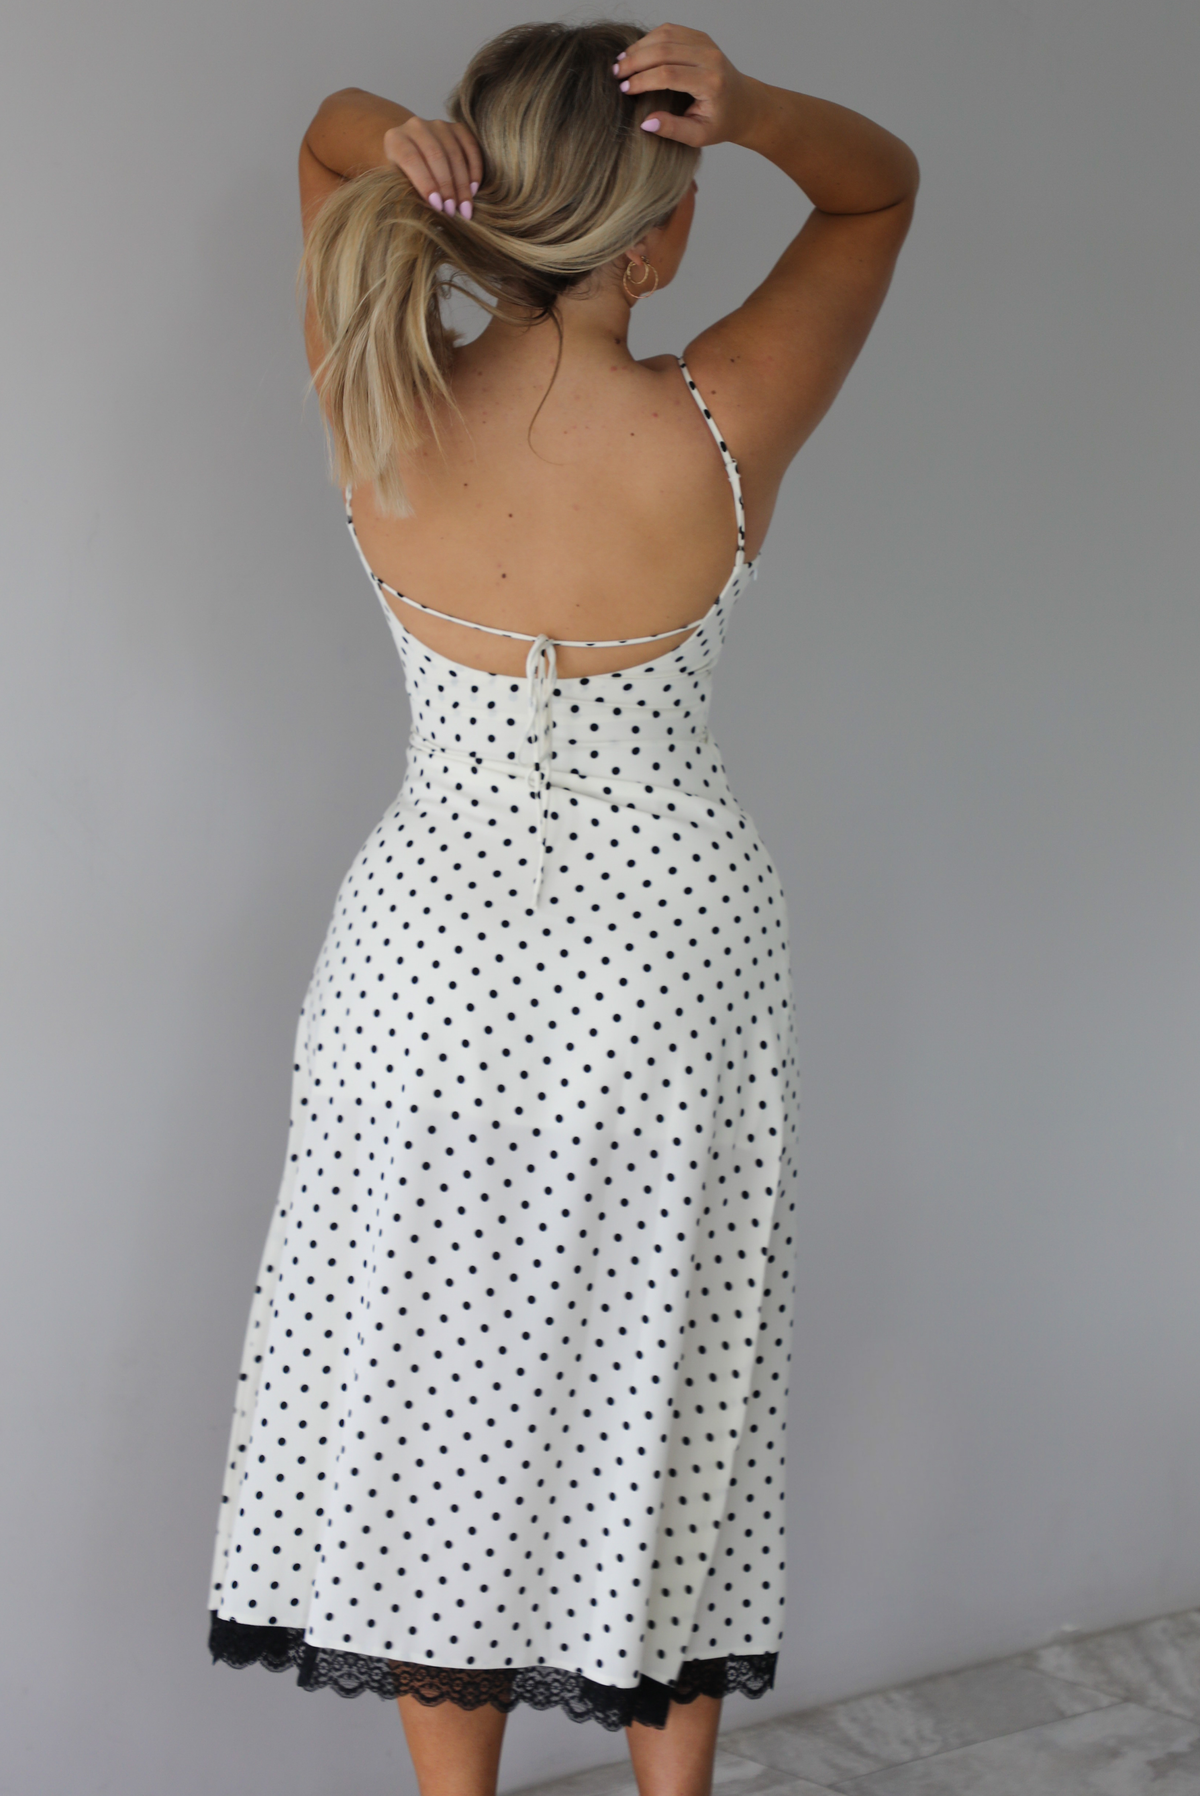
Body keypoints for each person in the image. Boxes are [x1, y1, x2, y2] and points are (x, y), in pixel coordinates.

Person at [207, 20, 917, 1796]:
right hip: (666, 968)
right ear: (663, 232)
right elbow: (881, 187)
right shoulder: (724, 418)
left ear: (468, 205)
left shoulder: (377, 384)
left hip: (417, 965)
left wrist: (405, 140)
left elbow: (322, 140)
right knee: (661, 1394)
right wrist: (748, 112)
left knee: (430, 1411)